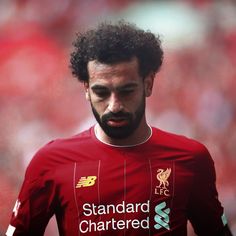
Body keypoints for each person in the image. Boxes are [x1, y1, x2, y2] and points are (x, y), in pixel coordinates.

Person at [6, 21, 232, 236]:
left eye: (126, 91)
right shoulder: (50, 162)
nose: (114, 105)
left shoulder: (190, 158)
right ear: (86, 89)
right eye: (101, 92)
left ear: (148, 84)